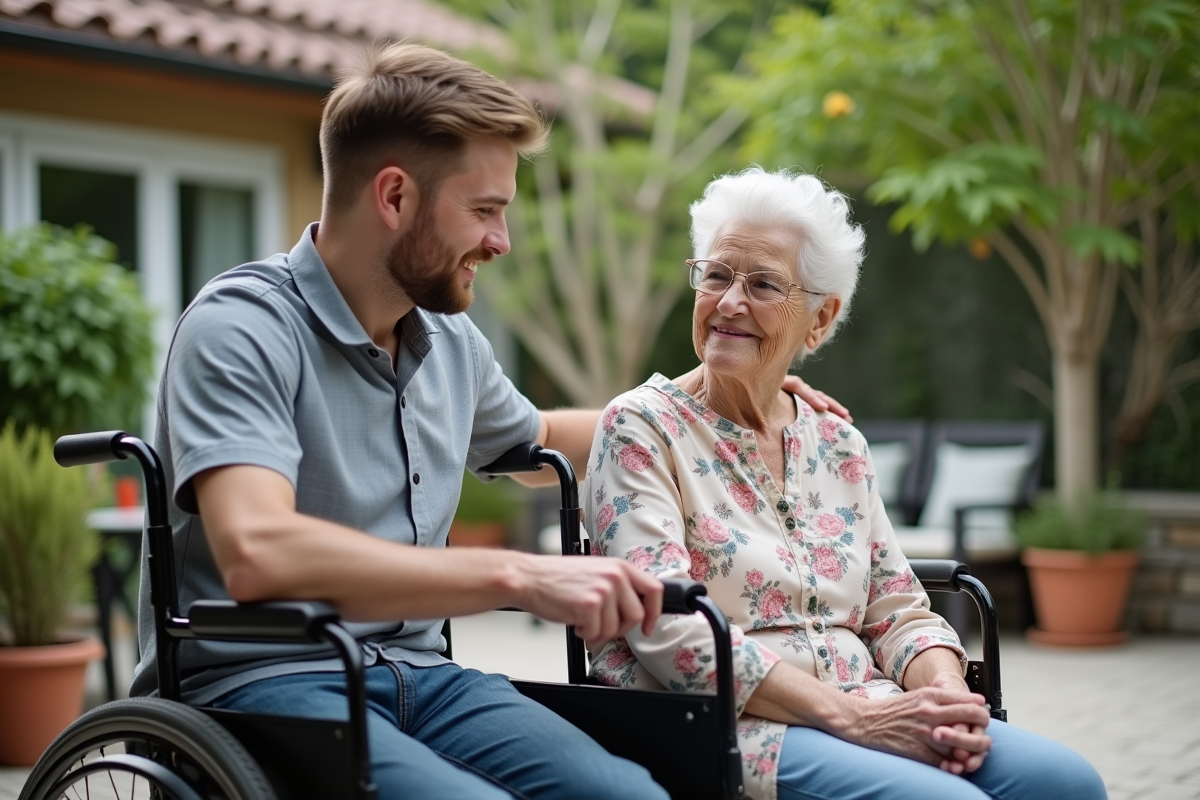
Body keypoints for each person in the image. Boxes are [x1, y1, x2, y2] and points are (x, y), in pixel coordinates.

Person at [129, 44, 841, 799]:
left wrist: (727, 398)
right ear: (395, 197)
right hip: (267, 680)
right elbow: (257, 552)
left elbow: (540, 441)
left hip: (425, 679)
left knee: (630, 793)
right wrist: (522, 576)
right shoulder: (243, 327)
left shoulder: (446, 341)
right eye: (484, 210)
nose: (500, 241)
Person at [582, 168, 1108, 800]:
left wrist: (942, 692)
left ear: (819, 320)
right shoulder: (642, 425)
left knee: (1066, 784)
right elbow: (668, 630)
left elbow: (897, 608)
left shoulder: (838, 443)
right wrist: (856, 720)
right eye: (716, 274)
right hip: (718, 721)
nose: (728, 301)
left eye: (763, 284)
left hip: (866, 703)